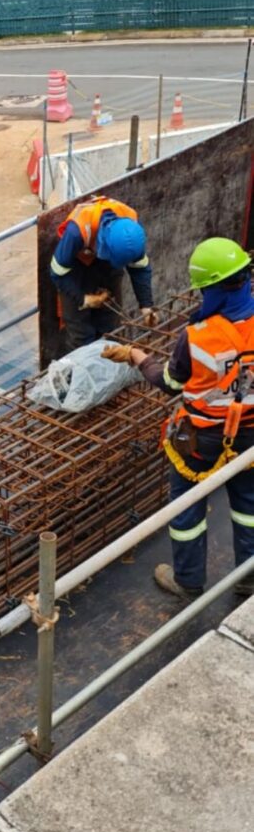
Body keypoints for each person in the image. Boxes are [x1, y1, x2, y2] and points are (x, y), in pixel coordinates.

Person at [102, 237, 254, 601]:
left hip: (200, 440)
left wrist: (136, 356)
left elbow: (170, 383)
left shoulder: (197, 336)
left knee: (187, 506)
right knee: (249, 508)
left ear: (210, 289)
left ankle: (188, 581)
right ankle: (249, 578)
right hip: (250, 435)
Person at [51, 195, 155, 351]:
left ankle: (109, 368)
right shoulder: (77, 231)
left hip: (106, 266)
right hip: (74, 268)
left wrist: (146, 305)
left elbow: (139, 268)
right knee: (80, 335)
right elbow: (57, 272)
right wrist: (83, 299)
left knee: (111, 329)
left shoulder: (131, 230)